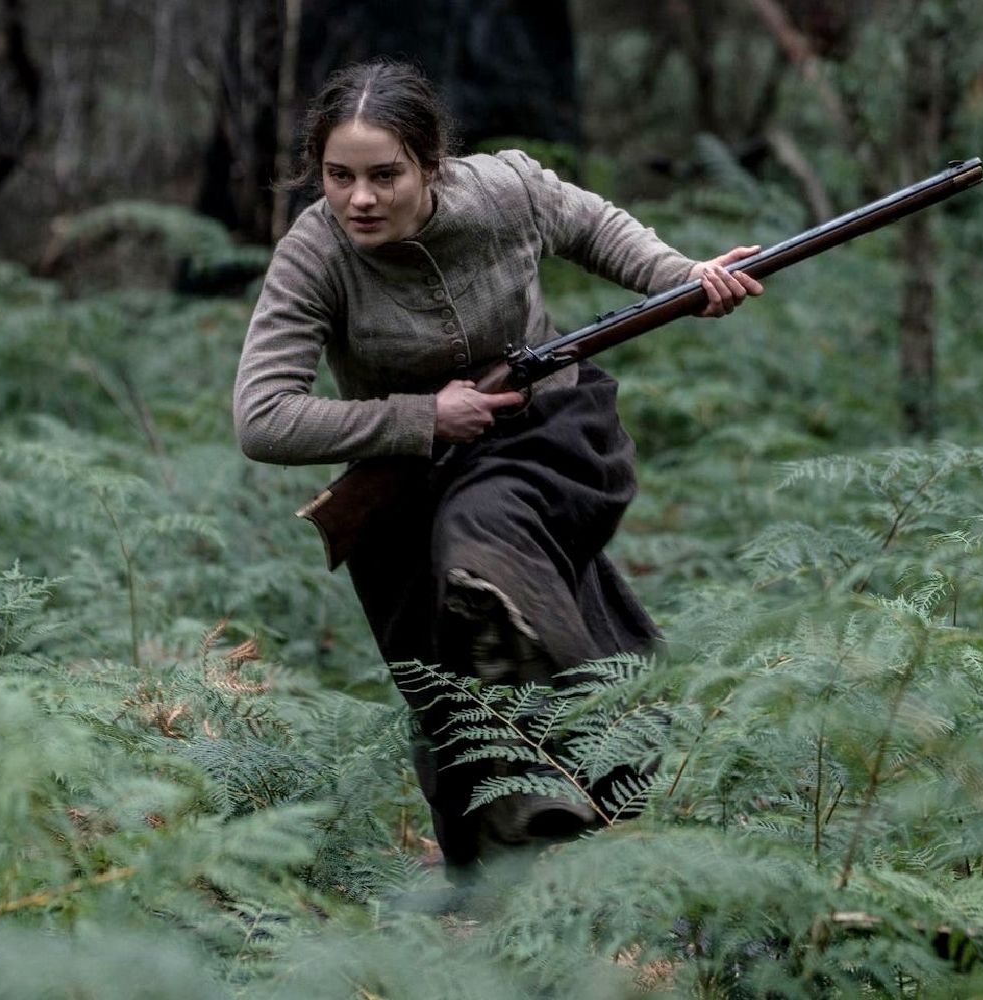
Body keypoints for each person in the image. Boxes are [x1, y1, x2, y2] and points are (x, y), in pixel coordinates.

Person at [233, 58, 760, 884]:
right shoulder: (315, 255)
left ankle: (584, 806)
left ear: (432, 164)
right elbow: (262, 416)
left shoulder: (504, 189)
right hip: (406, 487)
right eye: (339, 177)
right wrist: (418, 418)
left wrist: (685, 278)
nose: (359, 199)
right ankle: (512, 885)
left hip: (546, 443)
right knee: (446, 687)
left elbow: (595, 227)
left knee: (484, 541)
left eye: (384, 175)